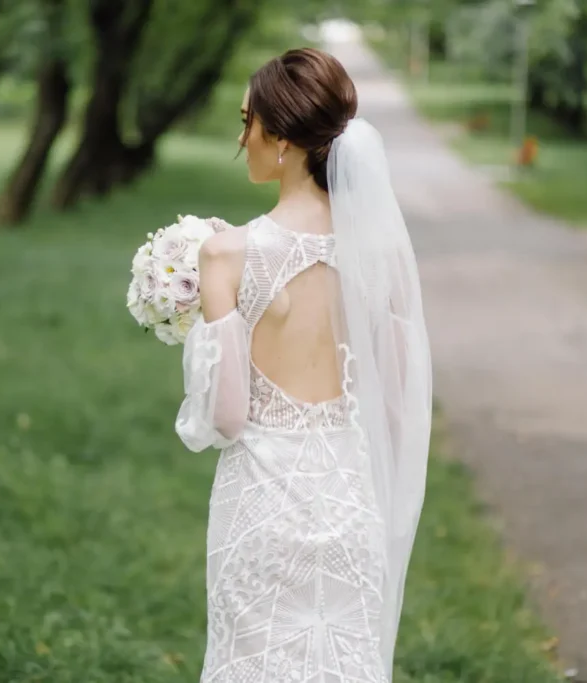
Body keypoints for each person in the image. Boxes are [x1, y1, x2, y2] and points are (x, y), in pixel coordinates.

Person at [174, 47, 433, 683]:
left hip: (262, 507)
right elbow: (399, 410)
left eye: (248, 122)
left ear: (282, 137)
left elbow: (228, 417)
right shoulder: (383, 256)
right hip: (350, 504)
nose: (243, 140)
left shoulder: (226, 254)